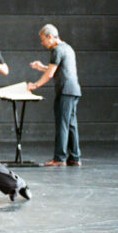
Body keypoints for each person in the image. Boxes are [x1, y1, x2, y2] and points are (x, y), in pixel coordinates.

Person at [27, 24, 81, 166]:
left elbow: (50, 73)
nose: (42, 43)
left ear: (50, 36)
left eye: (43, 39)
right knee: (71, 124)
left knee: (62, 124)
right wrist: (42, 67)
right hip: (74, 90)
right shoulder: (67, 48)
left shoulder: (56, 50)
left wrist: (35, 85)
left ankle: (59, 158)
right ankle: (75, 157)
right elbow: (59, 69)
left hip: (65, 90)